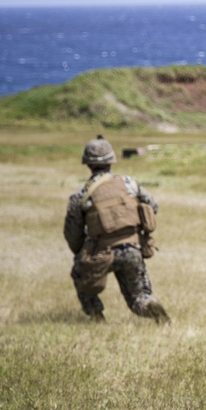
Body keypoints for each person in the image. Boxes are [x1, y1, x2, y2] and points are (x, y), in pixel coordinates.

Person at [63, 135, 170, 324]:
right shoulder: (129, 184)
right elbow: (153, 206)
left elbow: (73, 234)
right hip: (132, 249)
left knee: (79, 275)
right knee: (137, 297)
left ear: (87, 163)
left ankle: (96, 317)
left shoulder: (81, 195)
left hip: (102, 253)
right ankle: (149, 304)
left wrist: (82, 254)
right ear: (111, 160)